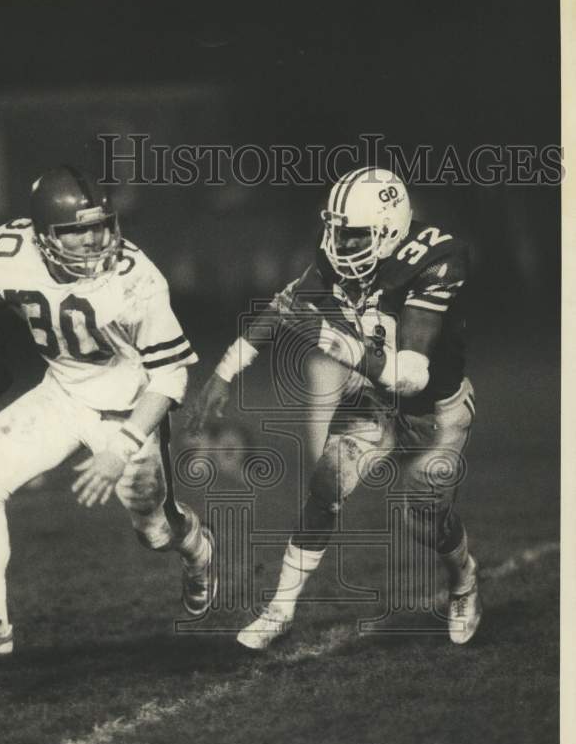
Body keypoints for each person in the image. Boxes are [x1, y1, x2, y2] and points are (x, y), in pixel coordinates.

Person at [0, 165, 214, 659]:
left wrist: (120, 449)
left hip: (129, 411)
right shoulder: (8, 250)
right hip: (59, 395)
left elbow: (171, 377)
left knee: (155, 533)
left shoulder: (136, 278)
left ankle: (199, 552)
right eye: (76, 230)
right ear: (41, 236)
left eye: (99, 224)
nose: (93, 239)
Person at [190, 166, 481, 649]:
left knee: (424, 516)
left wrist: (336, 342)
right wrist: (223, 374)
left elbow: (412, 376)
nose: (339, 245)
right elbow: (281, 310)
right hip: (373, 401)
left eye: (353, 236)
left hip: (434, 412)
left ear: (390, 228)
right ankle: (280, 609)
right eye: (337, 233)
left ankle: (464, 581)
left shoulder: (437, 259)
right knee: (325, 485)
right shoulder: (338, 261)